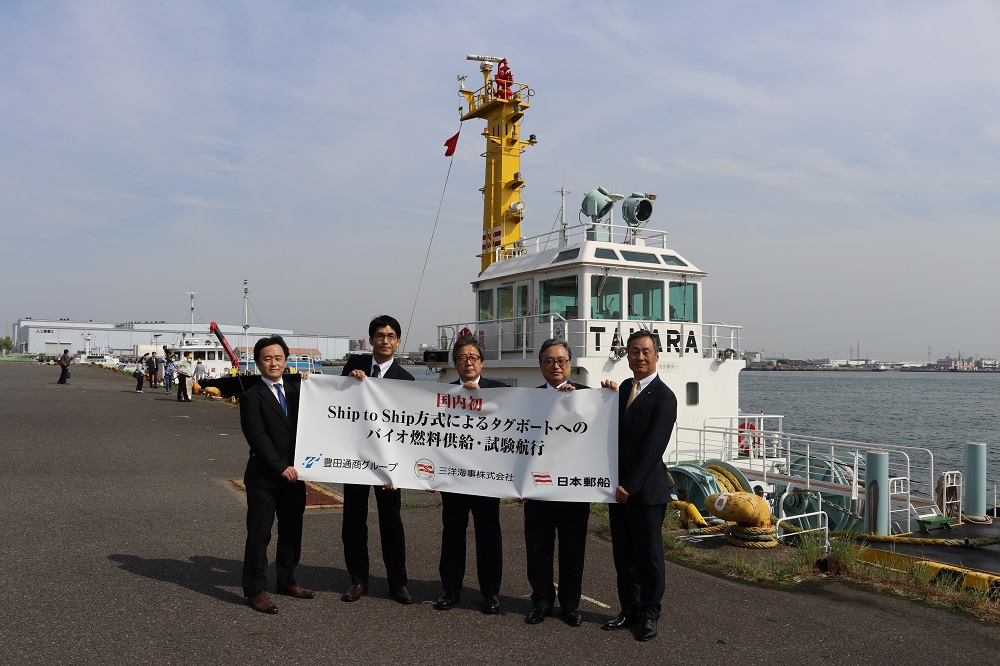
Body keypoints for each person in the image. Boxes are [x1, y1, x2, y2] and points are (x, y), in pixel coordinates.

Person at [601, 330, 677, 642]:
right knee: (623, 554)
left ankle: (649, 614)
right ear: (628, 356)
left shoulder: (664, 396)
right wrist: (603, 395)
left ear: (657, 356)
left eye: (646, 351)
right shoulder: (622, 390)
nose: (640, 357)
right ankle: (629, 609)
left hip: (645, 492)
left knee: (649, 556)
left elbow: (653, 447)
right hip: (617, 489)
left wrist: (630, 485)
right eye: (634, 351)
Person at [340, 315, 415, 605]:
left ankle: (398, 583)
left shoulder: (406, 380)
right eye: (380, 335)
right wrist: (348, 380)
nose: (385, 340)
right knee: (353, 521)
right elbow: (332, 399)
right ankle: (358, 580)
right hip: (355, 457)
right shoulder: (354, 365)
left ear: (398, 341)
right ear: (370, 340)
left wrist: (402, 470)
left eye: (391, 336)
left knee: (391, 523)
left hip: (389, 464)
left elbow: (410, 429)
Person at [433, 335, 509, 615]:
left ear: (482, 363)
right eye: (462, 358)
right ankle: (450, 589)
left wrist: (480, 397)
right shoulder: (441, 395)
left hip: (487, 479)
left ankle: (490, 593)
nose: (468, 362)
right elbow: (430, 435)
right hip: (453, 477)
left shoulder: (499, 391)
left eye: (473, 357)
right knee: (453, 533)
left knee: (489, 536)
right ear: (454, 363)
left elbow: (517, 423)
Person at [240, 335, 313, 614]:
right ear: (258, 363)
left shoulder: (298, 390)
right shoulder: (251, 396)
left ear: (286, 361)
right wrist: (279, 466)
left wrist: (315, 384)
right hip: (264, 478)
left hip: (295, 477)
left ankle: (287, 580)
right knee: (259, 535)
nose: (273, 363)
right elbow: (256, 437)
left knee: (292, 532)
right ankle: (255, 589)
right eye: (267, 358)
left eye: (278, 358)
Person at [523, 339, 592, 627]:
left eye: (561, 360)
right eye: (549, 361)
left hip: (574, 488)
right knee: (538, 548)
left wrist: (606, 393)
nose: (555, 366)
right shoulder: (528, 398)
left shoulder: (589, 397)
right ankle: (541, 602)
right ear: (540, 365)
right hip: (538, 488)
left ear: (570, 365)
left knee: (573, 549)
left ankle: (570, 605)